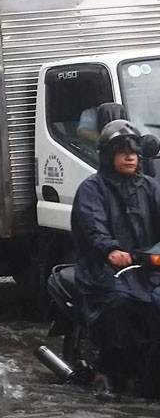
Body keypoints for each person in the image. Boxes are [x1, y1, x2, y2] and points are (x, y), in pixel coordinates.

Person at [71, 119, 160, 401]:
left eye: (133, 150)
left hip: (149, 269)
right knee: (120, 304)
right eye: (122, 151)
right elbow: (92, 225)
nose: (129, 156)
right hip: (105, 270)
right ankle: (108, 372)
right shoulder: (92, 189)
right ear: (109, 155)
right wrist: (110, 250)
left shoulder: (150, 187)